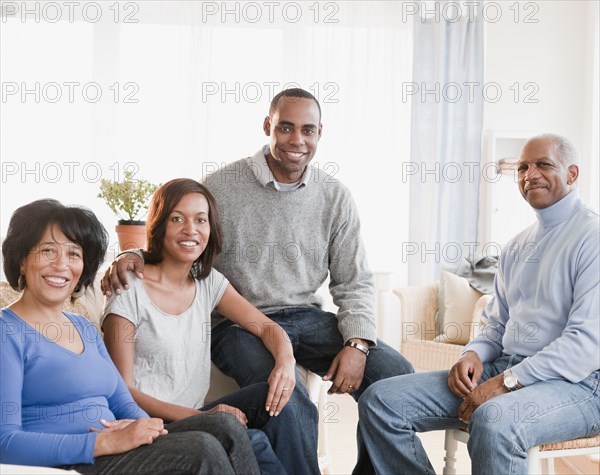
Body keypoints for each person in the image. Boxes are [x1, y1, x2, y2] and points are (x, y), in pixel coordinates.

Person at [102, 88, 415, 469]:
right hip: (239, 324)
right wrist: (132, 253)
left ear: (320, 133)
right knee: (286, 397)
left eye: (307, 130)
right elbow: (184, 231)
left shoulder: (335, 197)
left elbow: (354, 280)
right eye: (285, 127)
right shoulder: (221, 185)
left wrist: (358, 343)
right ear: (268, 126)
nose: (296, 140)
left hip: (307, 318)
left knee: (396, 375)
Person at [353, 133, 600, 475]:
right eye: (523, 167)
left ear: (572, 174)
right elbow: (496, 326)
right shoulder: (517, 246)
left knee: (495, 420)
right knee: (381, 402)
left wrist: (505, 383)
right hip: (510, 367)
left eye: (543, 164)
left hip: (580, 384)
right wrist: (471, 354)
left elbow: (584, 346)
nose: (530, 174)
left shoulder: (592, 237)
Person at [0, 199, 259, 475]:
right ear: (22, 260)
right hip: (72, 462)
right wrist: (103, 441)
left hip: (119, 449)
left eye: (73, 254)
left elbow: (121, 401)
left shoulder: (84, 328)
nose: (61, 265)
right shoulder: (8, 333)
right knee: (202, 448)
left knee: (224, 425)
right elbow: (6, 442)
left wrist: (146, 429)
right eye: (48, 250)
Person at [102, 178, 308, 475]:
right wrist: (205, 416)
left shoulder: (208, 283)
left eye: (201, 220)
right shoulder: (129, 288)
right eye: (177, 219)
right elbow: (122, 391)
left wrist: (286, 363)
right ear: (159, 226)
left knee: (282, 397)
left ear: (210, 230)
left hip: (197, 413)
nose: (191, 230)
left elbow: (266, 328)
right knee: (256, 443)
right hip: (147, 420)